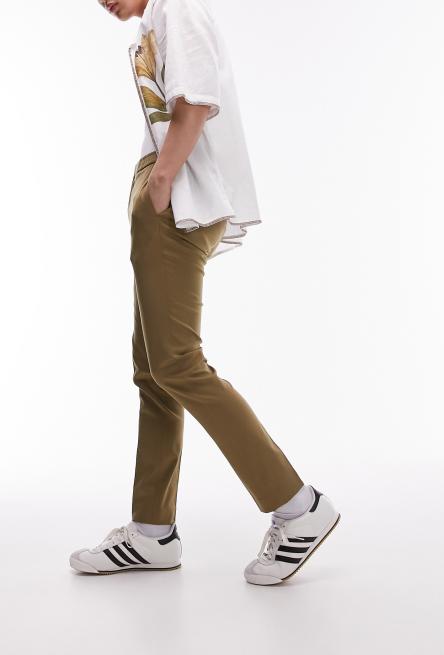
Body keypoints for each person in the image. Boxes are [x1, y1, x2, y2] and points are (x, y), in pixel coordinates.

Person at [69, 0, 340, 585]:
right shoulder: (157, 19)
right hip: (163, 190)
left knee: (178, 365)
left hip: (175, 195)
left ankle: (298, 507)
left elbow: (194, 101)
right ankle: (152, 532)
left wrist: (162, 180)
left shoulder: (178, 8)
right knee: (154, 371)